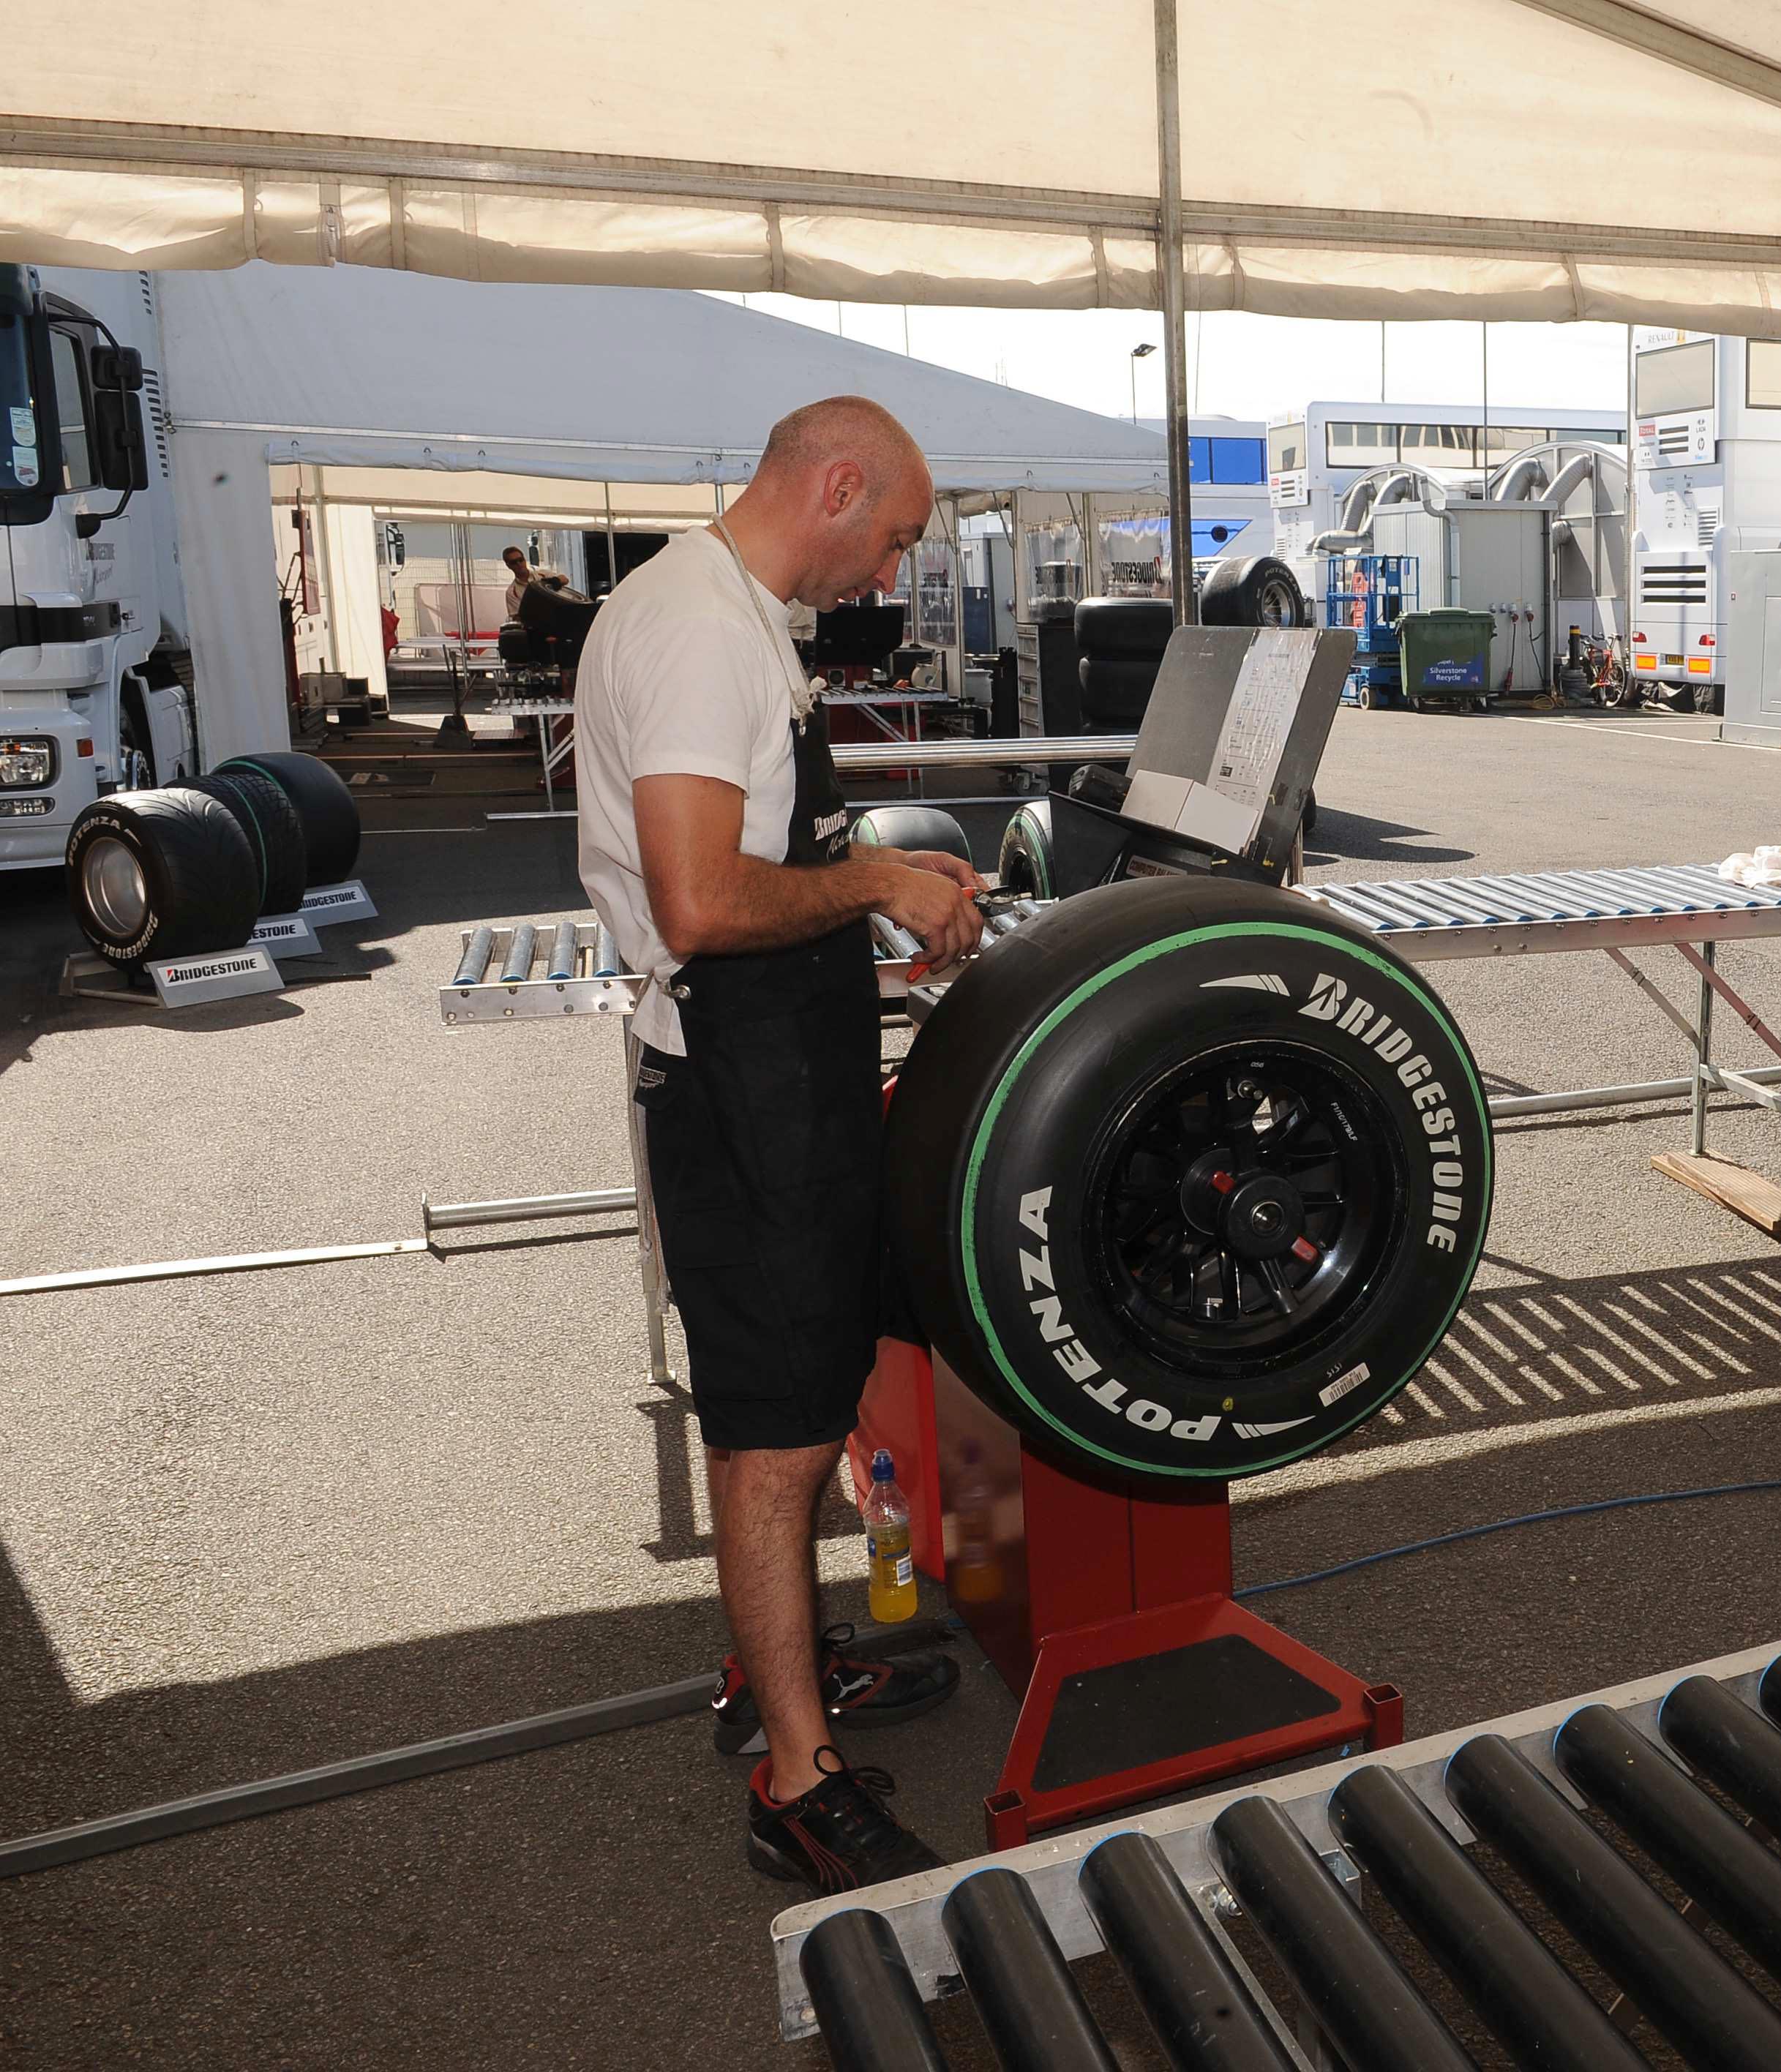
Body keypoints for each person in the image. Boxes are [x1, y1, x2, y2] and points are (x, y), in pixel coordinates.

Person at [573, 396, 987, 1892]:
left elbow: (755, 859)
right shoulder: (700, 628)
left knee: (778, 1406)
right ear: (837, 485)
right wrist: (874, 881)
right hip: (744, 1097)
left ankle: (777, 1667)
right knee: (781, 1438)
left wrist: (871, 900)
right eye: (894, 536)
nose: (890, 569)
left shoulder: (727, 609)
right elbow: (697, 900)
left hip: (770, 1064)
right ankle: (798, 1785)